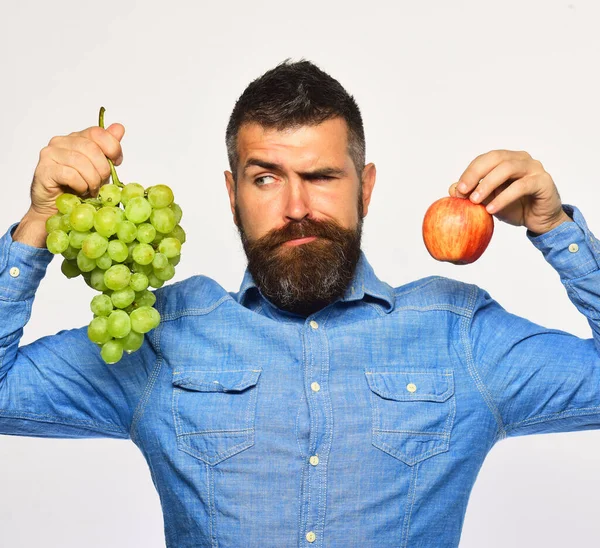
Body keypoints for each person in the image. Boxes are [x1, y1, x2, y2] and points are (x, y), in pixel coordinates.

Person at [1, 58, 599, 548]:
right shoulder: (165, 335)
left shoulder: (458, 335)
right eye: (266, 178)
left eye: (321, 177)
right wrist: (38, 221)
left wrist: (555, 231)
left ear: (364, 187)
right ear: (232, 194)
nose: (296, 207)